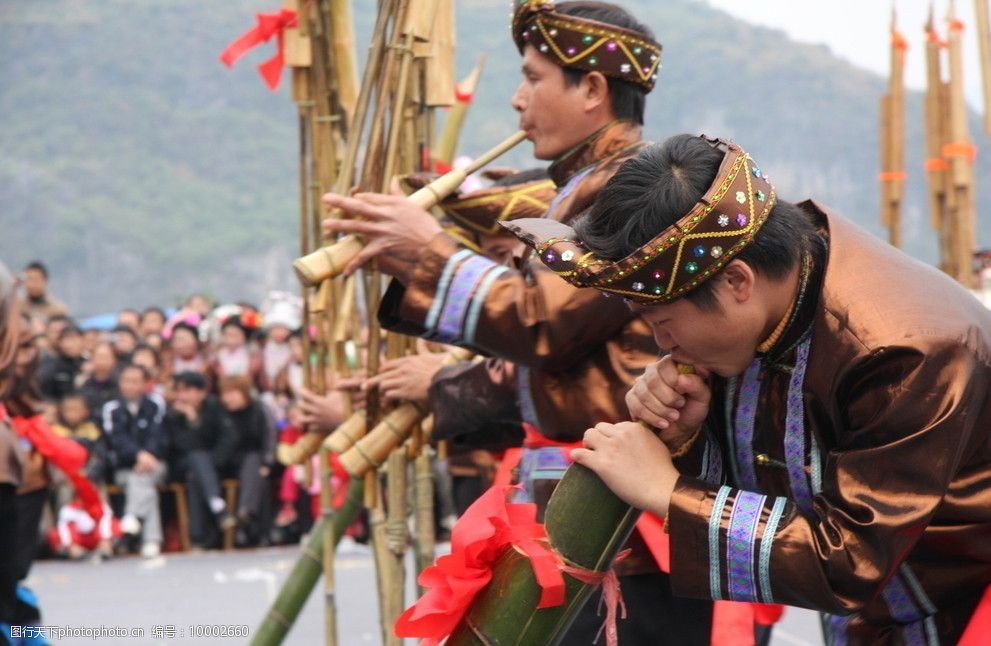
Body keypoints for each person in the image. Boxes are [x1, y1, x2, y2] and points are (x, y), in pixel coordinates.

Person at [326, 2, 724, 643]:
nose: (517, 101)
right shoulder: (577, 186)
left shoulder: (630, 187)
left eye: (533, 78)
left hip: (625, 532)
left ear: (592, 89)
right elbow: (558, 350)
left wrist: (429, 253)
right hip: (579, 515)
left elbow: (544, 325)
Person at [506, 133, 991, 644]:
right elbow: (782, 486)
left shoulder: (904, 352)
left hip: (957, 615)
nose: (661, 343)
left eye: (663, 319)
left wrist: (667, 491)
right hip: (872, 620)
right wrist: (686, 440)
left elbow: (848, 560)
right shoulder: (769, 302)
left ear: (737, 281)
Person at [164, 371, 237, 549]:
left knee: (197, 475)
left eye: (188, 391)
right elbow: (181, 447)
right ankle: (217, 505)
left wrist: (212, 464)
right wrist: (192, 420)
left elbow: (227, 439)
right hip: (181, 465)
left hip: (212, 466)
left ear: (202, 392)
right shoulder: (172, 415)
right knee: (197, 459)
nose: (183, 396)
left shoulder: (214, 408)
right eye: (179, 391)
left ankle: (198, 537)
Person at [101, 363, 167, 558]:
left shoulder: (156, 404)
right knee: (145, 486)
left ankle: (132, 517)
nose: (130, 386)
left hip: (156, 464)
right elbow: (116, 439)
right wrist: (138, 456)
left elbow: (160, 436)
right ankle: (151, 540)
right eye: (126, 381)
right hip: (124, 468)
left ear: (145, 384)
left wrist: (148, 456)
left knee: (144, 477)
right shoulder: (111, 408)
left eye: (135, 381)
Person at [217, 375, 276, 546]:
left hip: (256, 460)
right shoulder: (221, 414)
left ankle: (246, 515)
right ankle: (248, 518)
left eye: (233, 392)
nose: (229, 397)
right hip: (228, 462)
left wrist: (268, 463)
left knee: (257, 469)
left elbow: (269, 437)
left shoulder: (259, 409)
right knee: (257, 476)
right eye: (225, 393)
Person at [37, 323, 84, 401]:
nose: (69, 344)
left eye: (73, 339)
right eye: (65, 340)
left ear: (82, 340)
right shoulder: (52, 365)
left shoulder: (90, 364)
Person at [78, 341, 118, 419]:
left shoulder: (119, 384)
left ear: (114, 360)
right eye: (99, 357)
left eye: (106, 357)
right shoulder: (83, 383)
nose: (102, 361)